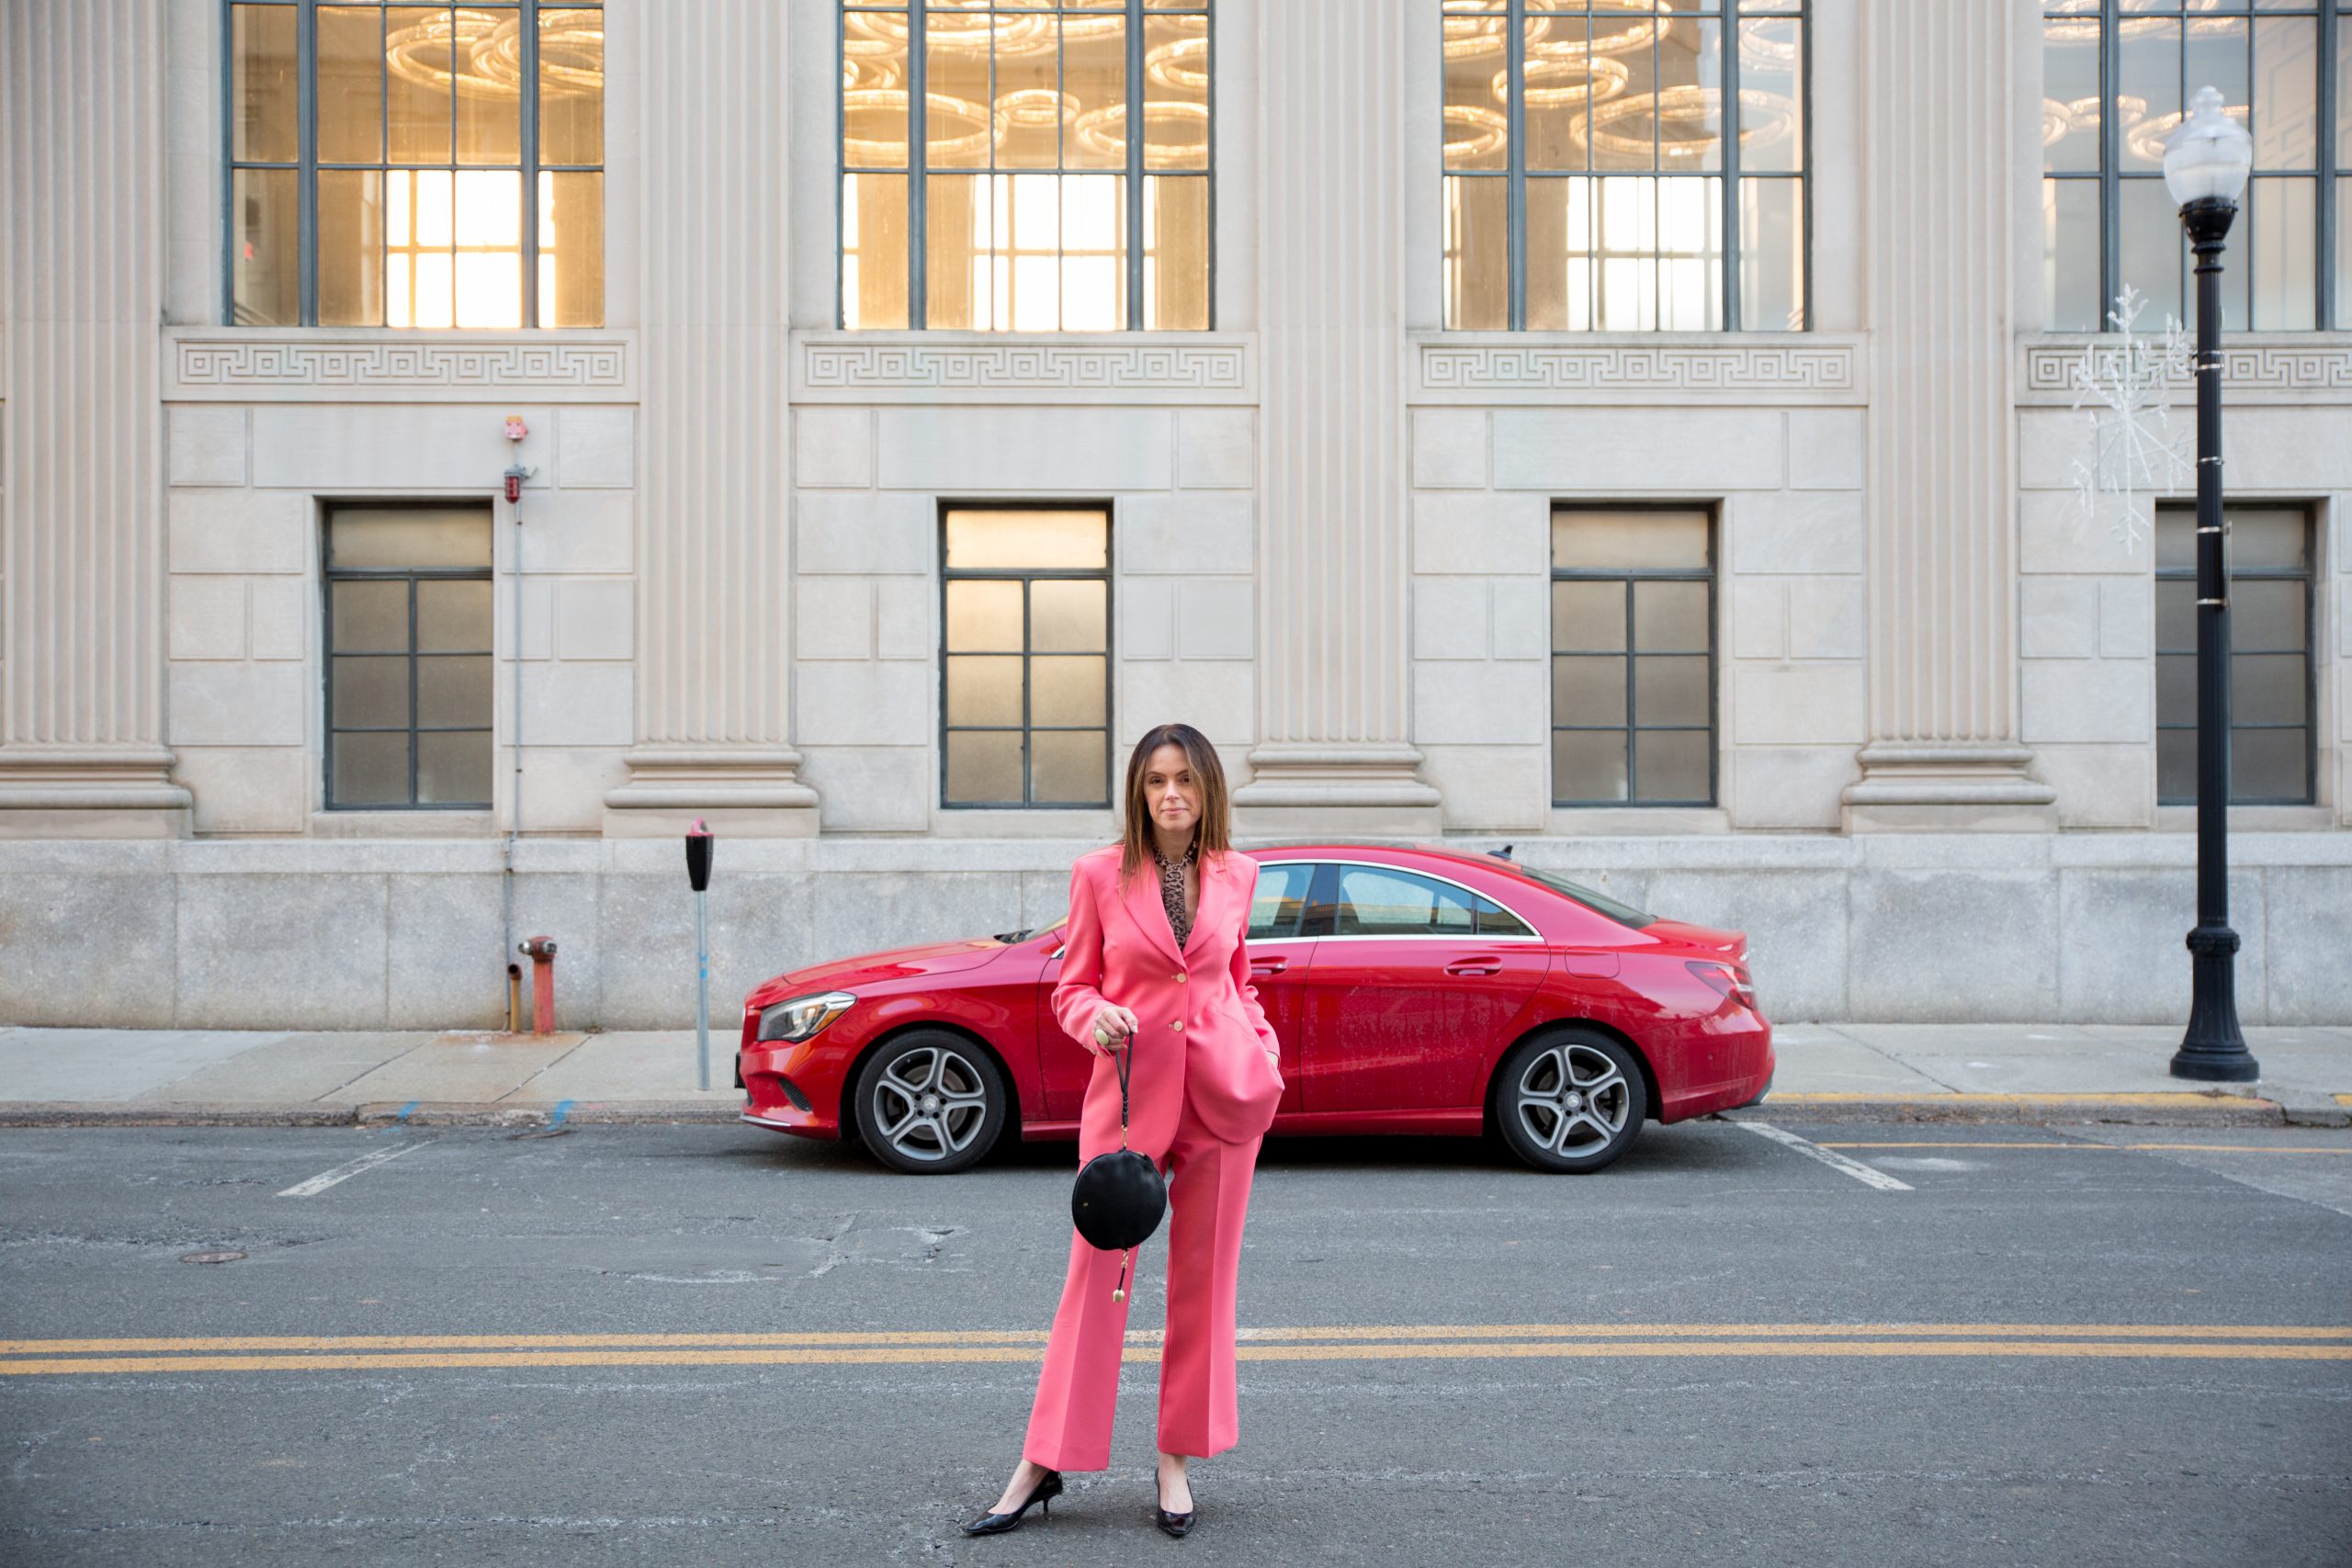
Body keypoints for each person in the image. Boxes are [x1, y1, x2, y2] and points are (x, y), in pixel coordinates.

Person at [964, 722, 1285, 1540]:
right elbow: (1069, 988)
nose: (1169, 794)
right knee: (1096, 1281)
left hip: (1222, 1098)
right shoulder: (1100, 874)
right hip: (1129, 1101)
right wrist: (1095, 1012)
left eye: (1184, 779)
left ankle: (1176, 1457)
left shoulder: (1239, 874)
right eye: (1154, 781)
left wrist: (1264, 1048)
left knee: (1206, 1284)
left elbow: (1237, 980)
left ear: (1208, 789)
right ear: (1138, 793)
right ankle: (1043, 1459)